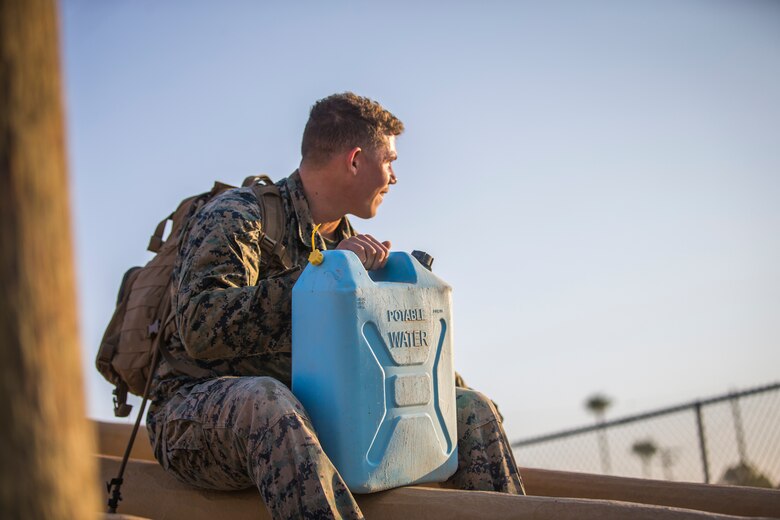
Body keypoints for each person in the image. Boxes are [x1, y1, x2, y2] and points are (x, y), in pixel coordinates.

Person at [146, 92, 524, 520]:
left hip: (315, 417)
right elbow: (200, 327)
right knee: (267, 403)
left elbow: (384, 351)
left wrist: (443, 386)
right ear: (356, 159)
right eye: (390, 161)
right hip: (198, 418)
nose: (394, 177)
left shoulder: (350, 250)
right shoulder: (240, 216)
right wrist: (320, 280)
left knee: (471, 409)